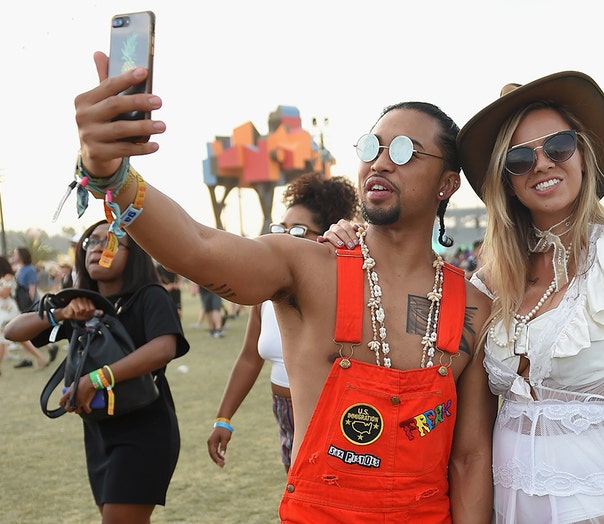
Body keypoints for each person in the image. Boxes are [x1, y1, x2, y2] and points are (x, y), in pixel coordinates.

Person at [73, 52, 494, 523]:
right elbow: (199, 246)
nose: (380, 162)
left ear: (447, 184)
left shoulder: (474, 305)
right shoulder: (306, 266)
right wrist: (112, 175)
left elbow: (471, 457)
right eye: (371, 147)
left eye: (403, 152)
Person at [457, 71, 604, 524]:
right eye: (520, 158)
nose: (542, 163)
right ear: (506, 180)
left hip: (594, 509)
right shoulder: (490, 280)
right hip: (505, 508)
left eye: (557, 146)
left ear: (582, 154)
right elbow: (471, 435)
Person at [3, 220, 189, 523]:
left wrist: (98, 378)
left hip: (144, 430)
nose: (97, 247)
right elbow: (13, 330)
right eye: (90, 242)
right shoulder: (77, 302)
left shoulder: (149, 295)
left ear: (134, 254)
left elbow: (164, 348)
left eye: (111, 241)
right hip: (99, 432)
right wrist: (61, 312)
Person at [207, 174, 359, 473]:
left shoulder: (345, 292)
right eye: (281, 229)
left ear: (327, 236)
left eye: (298, 231)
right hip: (284, 414)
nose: (284, 238)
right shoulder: (267, 294)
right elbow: (250, 358)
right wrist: (223, 418)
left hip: (329, 415)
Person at [9, 247, 57, 368]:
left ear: (22, 255)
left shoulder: (29, 269)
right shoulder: (21, 268)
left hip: (27, 303)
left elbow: (32, 286)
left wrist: (31, 303)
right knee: (25, 331)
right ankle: (28, 358)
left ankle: (50, 347)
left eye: (16, 253)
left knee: (28, 329)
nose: (14, 255)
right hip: (22, 302)